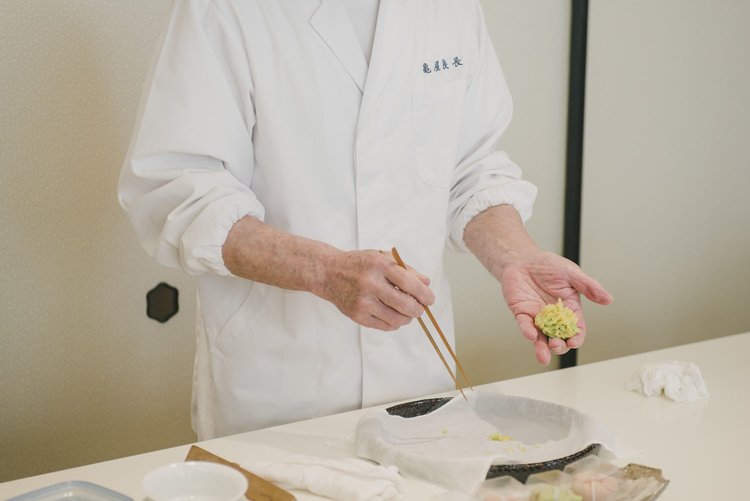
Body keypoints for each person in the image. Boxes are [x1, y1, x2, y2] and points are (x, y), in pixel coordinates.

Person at [118, 0, 612, 440]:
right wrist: (323, 271)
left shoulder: (452, 9)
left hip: (417, 377)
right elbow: (176, 188)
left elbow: (472, 168)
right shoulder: (224, 9)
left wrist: (517, 258)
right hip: (280, 390)